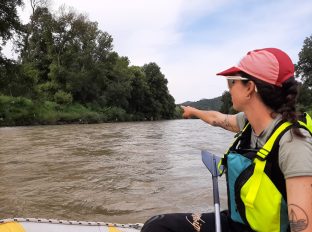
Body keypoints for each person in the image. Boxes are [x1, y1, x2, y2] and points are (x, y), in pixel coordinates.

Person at [141, 48, 312, 232]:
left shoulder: (294, 143)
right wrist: (193, 111)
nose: (228, 87)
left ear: (249, 88)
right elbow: (217, 119)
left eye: (232, 81)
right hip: (238, 223)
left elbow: (303, 227)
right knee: (157, 226)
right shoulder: (248, 122)